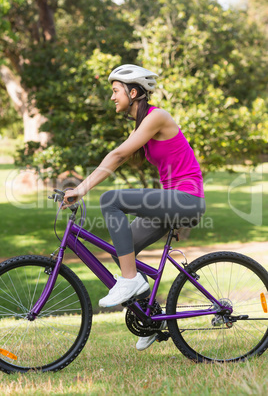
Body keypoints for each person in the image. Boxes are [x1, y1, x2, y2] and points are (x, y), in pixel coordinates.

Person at [64, 64, 206, 350]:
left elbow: (116, 156)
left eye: (116, 91)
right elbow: (119, 160)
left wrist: (80, 189)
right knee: (122, 249)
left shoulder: (157, 117)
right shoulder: (144, 124)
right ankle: (151, 320)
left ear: (133, 92)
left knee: (110, 200)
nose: (112, 97)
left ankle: (130, 281)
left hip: (187, 199)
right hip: (174, 201)